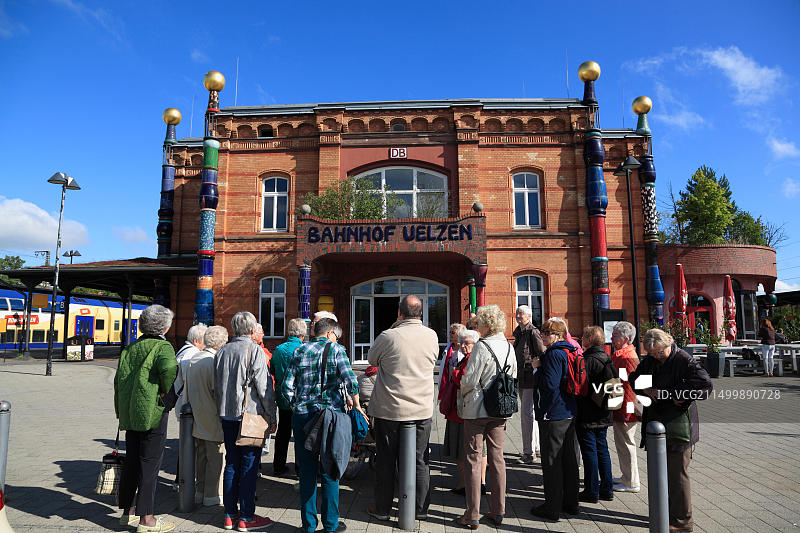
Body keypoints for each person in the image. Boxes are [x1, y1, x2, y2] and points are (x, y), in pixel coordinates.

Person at [282, 317, 363, 533]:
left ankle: (308, 525)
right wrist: (352, 401)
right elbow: (352, 382)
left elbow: (287, 386)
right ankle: (330, 524)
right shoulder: (337, 350)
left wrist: (297, 404)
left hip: (303, 416)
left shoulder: (299, 351)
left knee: (307, 472)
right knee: (330, 469)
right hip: (330, 417)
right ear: (329, 334)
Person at [631, 328, 713, 532]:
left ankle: (683, 522)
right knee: (661, 473)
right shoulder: (650, 360)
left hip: (678, 424)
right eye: (653, 353)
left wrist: (679, 394)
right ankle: (666, 513)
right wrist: (645, 389)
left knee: (677, 475)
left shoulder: (684, 360)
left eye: (660, 352)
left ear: (668, 344)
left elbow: (706, 386)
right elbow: (634, 378)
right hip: (656, 423)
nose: (657, 357)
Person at [366, 295, 439, 522]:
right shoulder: (432, 335)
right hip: (421, 409)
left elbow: (372, 359)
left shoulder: (388, 336)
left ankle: (382, 509)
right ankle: (420, 508)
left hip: (390, 408)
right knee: (420, 460)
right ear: (421, 314)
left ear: (399, 313)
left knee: (386, 460)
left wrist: (394, 328)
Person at [114, 304, 177, 533]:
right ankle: (147, 519)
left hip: (131, 410)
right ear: (165, 326)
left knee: (132, 461)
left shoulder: (132, 347)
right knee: (149, 464)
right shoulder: (163, 346)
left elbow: (118, 380)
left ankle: (127, 512)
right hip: (152, 410)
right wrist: (164, 389)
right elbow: (170, 368)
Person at [214, 311, 277, 532]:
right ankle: (247, 516)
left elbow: (216, 384)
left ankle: (230, 515)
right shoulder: (255, 350)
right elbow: (265, 388)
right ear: (252, 330)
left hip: (227, 414)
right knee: (249, 466)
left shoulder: (222, 351)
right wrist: (272, 415)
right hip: (249, 417)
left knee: (231, 463)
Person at [456, 304, 517, 529]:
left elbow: (470, 380)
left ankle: (472, 514)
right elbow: (514, 376)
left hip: (477, 410)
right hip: (500, 409)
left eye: (479, 322)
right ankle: (498, 511)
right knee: (497, 459)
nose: (476, 325)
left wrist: (462, 391)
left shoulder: (482, 347)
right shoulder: (509, 346)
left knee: (473, 459)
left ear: (487, 324)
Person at [530, 318, 579, 522]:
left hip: (553, 413)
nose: (542, 335)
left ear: (558, 336)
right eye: (542, 332)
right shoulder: (570, 350)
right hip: (569, 411)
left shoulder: (553, 354)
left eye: (547, 333)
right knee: (569, 460)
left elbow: (549, 384)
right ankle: (571, 503)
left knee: (552, 462)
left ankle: (551, 507)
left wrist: (536, 368)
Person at [185, 325, 228, 507]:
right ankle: (212, 495)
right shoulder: (213, 362)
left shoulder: (194, 359)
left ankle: (200, 491)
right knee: (216, 459)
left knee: (201, 458)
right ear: (221, 343)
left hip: (197, 416)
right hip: (213, 418)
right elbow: (218, 393)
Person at [441, 329, 487, 495]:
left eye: (467, 343)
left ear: (475, 344)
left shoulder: (472, 360)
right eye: (462, 342)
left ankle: (466, 485)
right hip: (465, 410)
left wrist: (455, 374)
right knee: (476, 450)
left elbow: (465, 382)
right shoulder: (468, 358)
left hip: (463, 412)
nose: (463, 345)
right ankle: (476, 483)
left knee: (462, 450)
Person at [576, 326, 614, 503]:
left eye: (584, 336)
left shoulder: (587, 360)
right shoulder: (607, 358)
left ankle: (591, 490)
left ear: (590, 340)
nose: (581, 338)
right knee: (603, 450)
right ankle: (607, 488)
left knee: (589, 452)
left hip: (588, 413)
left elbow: (582, 388)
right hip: (604, 411)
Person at [170, 323, 207, 488]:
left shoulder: (184, 351)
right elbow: (190, 381)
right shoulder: (191, 355)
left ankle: (182, 479)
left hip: (184, 405)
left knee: (187, 443)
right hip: (188, 406)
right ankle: (183, 480)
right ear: (198, 340)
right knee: (188, 444)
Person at [270, 317, 306, 476]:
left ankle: (278, 465)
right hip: (300, 399)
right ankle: (300, 468)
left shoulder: (278, 350)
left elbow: (272, 371)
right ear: (303, 334)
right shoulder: (304, 350)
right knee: (300, 434)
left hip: (283, 398)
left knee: (283, 433)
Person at [610, 321, 641, 493]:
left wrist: (625, 413)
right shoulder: (623, 354)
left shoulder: (625, 357)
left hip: (626, 410)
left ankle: (631, 482)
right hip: (624, 408)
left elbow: (628, 388)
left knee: (626, 444)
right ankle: (627, 477)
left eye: (615, 335)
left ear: (626, 339)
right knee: (623, 444)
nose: (612, 338)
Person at [513, 305, 544, 464]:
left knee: (526, 414)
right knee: (529, 413)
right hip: (521, 378)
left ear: (529, 316)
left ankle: (529, 452)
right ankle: (536, 447)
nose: (518, 316)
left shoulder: (533, 332)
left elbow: (542, 353)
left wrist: (535, 368)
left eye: (521, 314)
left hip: (530, 379)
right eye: (517, 313)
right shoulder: (518, 332)